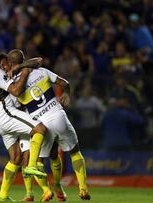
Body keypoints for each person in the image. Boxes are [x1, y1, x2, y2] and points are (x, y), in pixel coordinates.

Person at [7, 49, 91, 201]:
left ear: (11, 64)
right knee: (74, 152)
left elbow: (16, 106)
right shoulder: (42, 72)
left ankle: (47, 190)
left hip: (41, 125)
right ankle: (82, 189)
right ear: (25, 60)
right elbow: (64, 83)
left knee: (39, 162)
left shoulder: (14, 85)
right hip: (58, 115)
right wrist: (66, 93)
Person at [0, 40, 47, 202]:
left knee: (16, 158)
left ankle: (2, 196)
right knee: (40, 129)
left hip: (1, 116)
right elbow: (16, 90)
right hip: (7, 113)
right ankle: (33, 167)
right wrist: (25, 72)